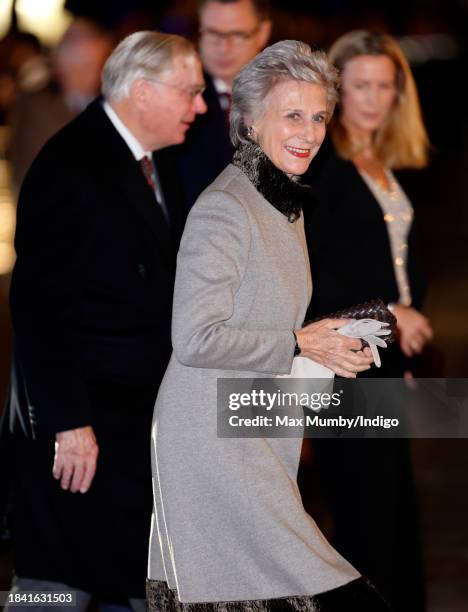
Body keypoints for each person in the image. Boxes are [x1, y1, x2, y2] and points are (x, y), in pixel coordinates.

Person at [147, 40, 389, 611]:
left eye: (319, 116)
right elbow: (195, 338)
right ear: (251, 123)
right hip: (208, 436)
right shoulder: (225, 208)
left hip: (253, 424)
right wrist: (299, 342)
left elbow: (269, 320)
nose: (309, 131)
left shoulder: (283, 202)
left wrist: (324, 346)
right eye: (292, 115)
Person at [6, 31, 206, 611]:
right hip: (84, 429)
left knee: (128, 575)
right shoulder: (72, 164)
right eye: (189, 93)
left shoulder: (147, 158)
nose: (199, 106)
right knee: (56, 584)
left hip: (129, 419)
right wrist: (70, 423)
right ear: (143, 92)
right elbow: (38, 309)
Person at [302, 30, 433, 611]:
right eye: (360, 86)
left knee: (394, 518)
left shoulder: (385, 159)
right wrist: (389, 311)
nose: (374, 99)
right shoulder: (322, 164)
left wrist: (403, 347)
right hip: (345, 368)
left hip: (384, 362)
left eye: (385, 85)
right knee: (364, 525)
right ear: (336, 89)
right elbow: (312, 280)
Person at [176, 0, 271, 209]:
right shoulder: (175, 100)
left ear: (263, 33)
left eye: (237, 35)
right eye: (212, 33)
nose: (223, 47)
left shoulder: (285, 94)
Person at [8, 19, 113, 194]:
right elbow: (29, 173)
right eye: (84, 67)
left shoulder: (107, 101)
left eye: (98, 65)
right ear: (61, 65)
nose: (95, 75)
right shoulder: (37, 107)